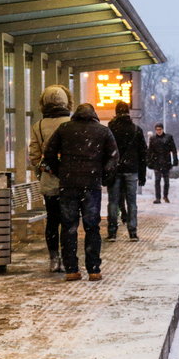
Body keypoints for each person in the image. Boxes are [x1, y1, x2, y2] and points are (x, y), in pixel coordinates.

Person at [42, 103, 118, 282]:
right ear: (94, 115)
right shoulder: (102, 131)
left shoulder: (65, 129)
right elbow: (113, 156)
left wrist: (60, 171)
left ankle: (71, 269)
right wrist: (103, 176)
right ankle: (93, 270)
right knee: (92, 227)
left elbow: (49, 152)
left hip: (68, 185)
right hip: (91, 186)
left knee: (69, 227)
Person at [28, 85, 73, 273]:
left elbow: (34, 155)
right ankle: (68, 255)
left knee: (53, 221)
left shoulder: (38, 126)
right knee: (69, 221)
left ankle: (54, 257)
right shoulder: (71, 123)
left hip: (50, 181)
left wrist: (44, 172)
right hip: (71, 182)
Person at [106, 101, 147, 242]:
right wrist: (142, 175)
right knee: (132, 202)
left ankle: (112, 232)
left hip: (115, 170)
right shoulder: (136, 130)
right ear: (128, 112)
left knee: (113, 201)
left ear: (116, 112)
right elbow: (143, 154)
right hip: (132, 170)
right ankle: (133, 232)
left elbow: (105, 152)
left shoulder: (110, 128)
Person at [147, 122, 178, 204]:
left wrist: (175, 160)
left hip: (166, 162)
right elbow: (150, 151)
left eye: (160, 129)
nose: (158, 131)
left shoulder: (168, 137)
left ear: (162, 129)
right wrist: (149, 161)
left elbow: (173, 149)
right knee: (157, 181)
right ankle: (158, 198)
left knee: (166, 181)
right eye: (157, 130)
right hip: (156, 162)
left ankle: (165, 196)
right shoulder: (153, 138)